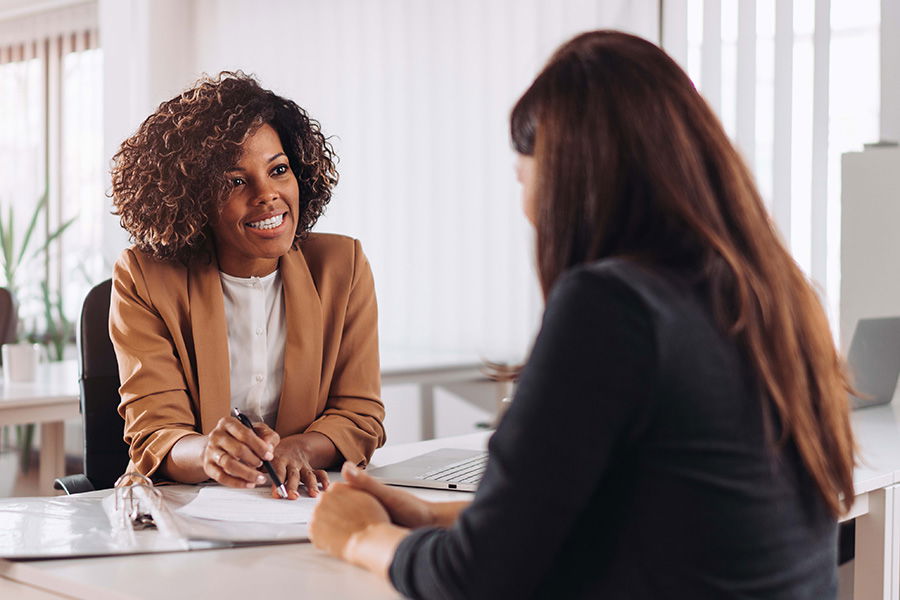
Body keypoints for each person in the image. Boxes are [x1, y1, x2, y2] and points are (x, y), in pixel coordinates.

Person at [308, 30, 856, 598]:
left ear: (569, 177)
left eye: (523, 178)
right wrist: (430, 518)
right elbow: (650, 513)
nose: (527, 213)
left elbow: (477, 580)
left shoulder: (613, 307)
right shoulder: (783, 297)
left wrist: (361, 537)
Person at [109, 72, 385, 499]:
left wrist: (299, 449)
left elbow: (359, 414)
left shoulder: (341, 267)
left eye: (278, 170)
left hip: (299, 505)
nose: (268, 194)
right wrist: (209, 454)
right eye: (236, 181)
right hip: (183, 510)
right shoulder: (144, 277)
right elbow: (156, 432)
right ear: (194, 197)